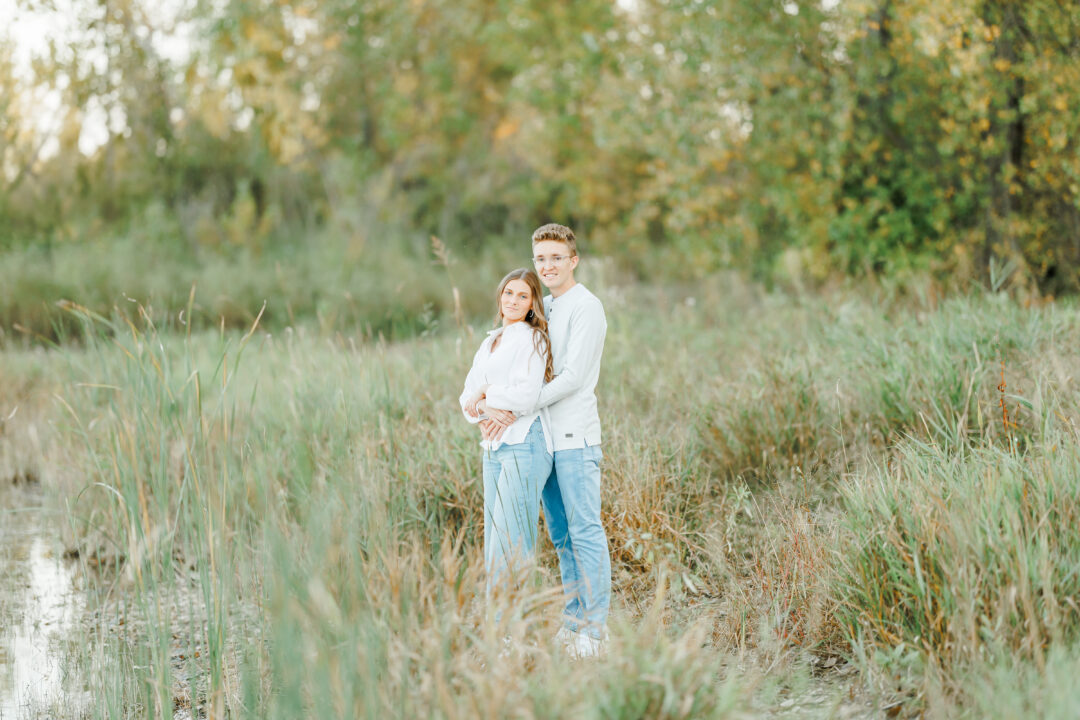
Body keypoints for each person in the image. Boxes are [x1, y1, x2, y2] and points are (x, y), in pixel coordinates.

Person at [478, 223, 610, 657]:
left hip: (575, 436)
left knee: (585, 530)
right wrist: (488, 406)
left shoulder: (586, 307)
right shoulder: (543, 306)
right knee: (561, 536)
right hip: (545, 440)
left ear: (573, 260)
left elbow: (571, 377)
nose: (548, 266)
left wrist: (516, 408)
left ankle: (594, 632)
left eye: (556, 258)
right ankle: (573, 624)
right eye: (541, 259)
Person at [460, 268, 554, 600]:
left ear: (532, 305)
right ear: (500, 297)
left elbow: (527, 396)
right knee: (494, 537)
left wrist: (486, 392)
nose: (513, 300)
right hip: (493, 447)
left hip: (525, 443)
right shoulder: (489, 342)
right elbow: (464, 399)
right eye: (508, 293)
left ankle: (513, 630)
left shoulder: (533, 338)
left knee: (511, 540)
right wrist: (483, 407)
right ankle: (500, 628)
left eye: (523, 296)